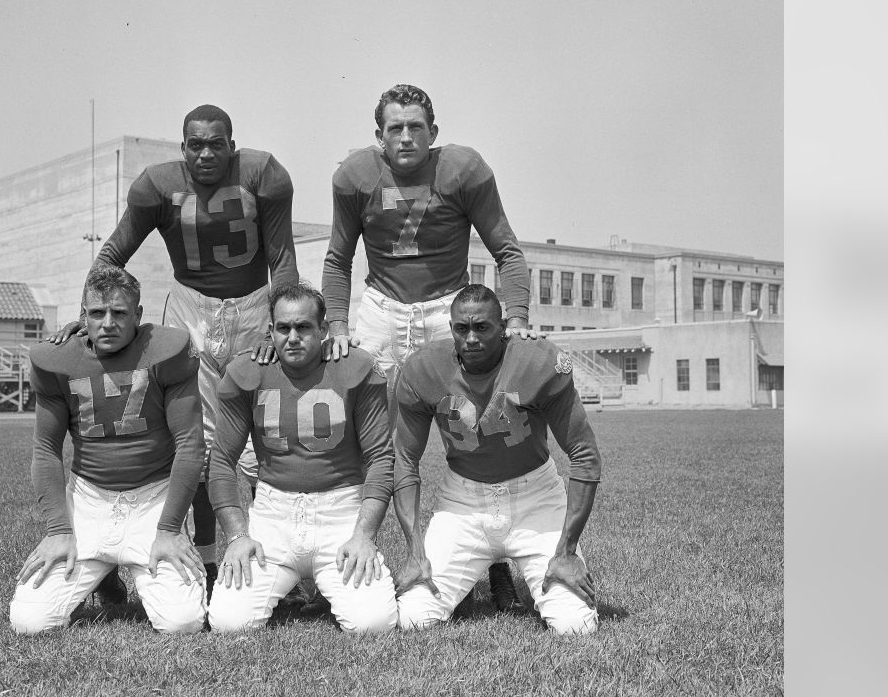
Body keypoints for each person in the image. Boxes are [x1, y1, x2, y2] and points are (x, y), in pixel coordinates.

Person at [51, 104, 297, 598]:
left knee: (271, 430)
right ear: (181, 147)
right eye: (195, 144)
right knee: (197, 441)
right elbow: (113, 252)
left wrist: (277, 322)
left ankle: (280, 561)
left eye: (216, 143)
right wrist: (90, 309)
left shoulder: (264, 175)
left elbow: (282, 257)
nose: (206, 152)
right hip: (190, 309)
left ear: (233, 144)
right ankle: (204, 559)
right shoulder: (156, 185)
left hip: (254, 307)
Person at [321, 83, 532, 610]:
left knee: (481, 430)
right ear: (379, 136)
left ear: (434, 133)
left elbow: (507, 250)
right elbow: (336, 258)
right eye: (396, 127)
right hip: (379, 307)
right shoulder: (354, 175)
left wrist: (520, 316)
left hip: (447, 308)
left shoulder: (463, 170)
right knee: (359, 434)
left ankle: (496, 560)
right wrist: (340, 323)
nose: (407, 136)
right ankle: (343, 556)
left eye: (417, 126)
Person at [391, 285, 601, 635]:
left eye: (482, 327)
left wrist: (566, 550)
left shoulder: (537, 361)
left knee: (575, 625)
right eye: (461, 328)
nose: (470, 338)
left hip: (535, 497)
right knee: (414, 617)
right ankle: (462, 585)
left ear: (503, 327)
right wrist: (415, 552)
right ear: (451, 327)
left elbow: (584, 455)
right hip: (463, 501)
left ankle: (538, 574)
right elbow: (404, 460)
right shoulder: (423, 368)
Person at [9, 264, 207, 635]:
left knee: (182, 623)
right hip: (89, 501)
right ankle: (101, 573)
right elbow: (46, 450)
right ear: (82, 316)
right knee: (30, 623)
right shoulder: (59, 360)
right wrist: (57, 530)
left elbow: (190, 445)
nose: (108, 323)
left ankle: (112, 571)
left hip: (154, 499)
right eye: (97, 313)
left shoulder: (166, 351)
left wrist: (169, 528)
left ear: (138, 315)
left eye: (119, 312)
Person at [204, 283, 398, 634]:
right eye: (283, 328)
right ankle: (291, 586)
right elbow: (220, 460)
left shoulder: (355, 367)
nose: (293, 337)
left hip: (340, 514)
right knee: (229, 623)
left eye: (304, 327)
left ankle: (328, 585)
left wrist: (363, 535)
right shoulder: (247, 372)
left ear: (324, 330)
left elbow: (381, 458)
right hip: (273, 517)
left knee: (375, 623)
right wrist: (236, 536)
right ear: (270, 331)